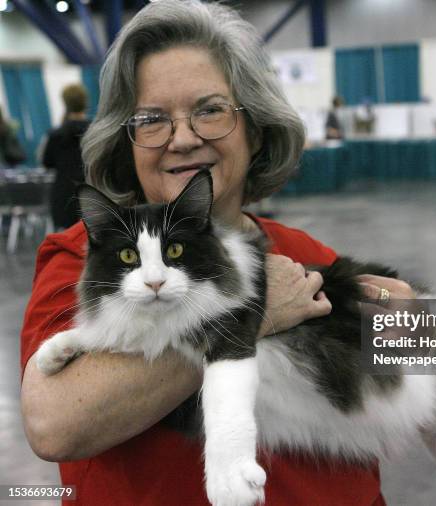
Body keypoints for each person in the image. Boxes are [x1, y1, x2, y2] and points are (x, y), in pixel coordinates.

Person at [20, 2, 412, 505]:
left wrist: (416, 329)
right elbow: (53, 424)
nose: (183, 139)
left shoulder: (303, 253)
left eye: (209, 110)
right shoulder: (85, 259)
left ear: (256, 128)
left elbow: (420, 376)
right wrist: (255, 314)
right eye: (152, 119)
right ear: (128, 140)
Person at [42, 84, 91, 230]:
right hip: (92, 190)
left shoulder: (55, 134)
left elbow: (47, 162)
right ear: (85, 102)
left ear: (65, 103)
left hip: (64, 193)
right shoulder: (96, 131)